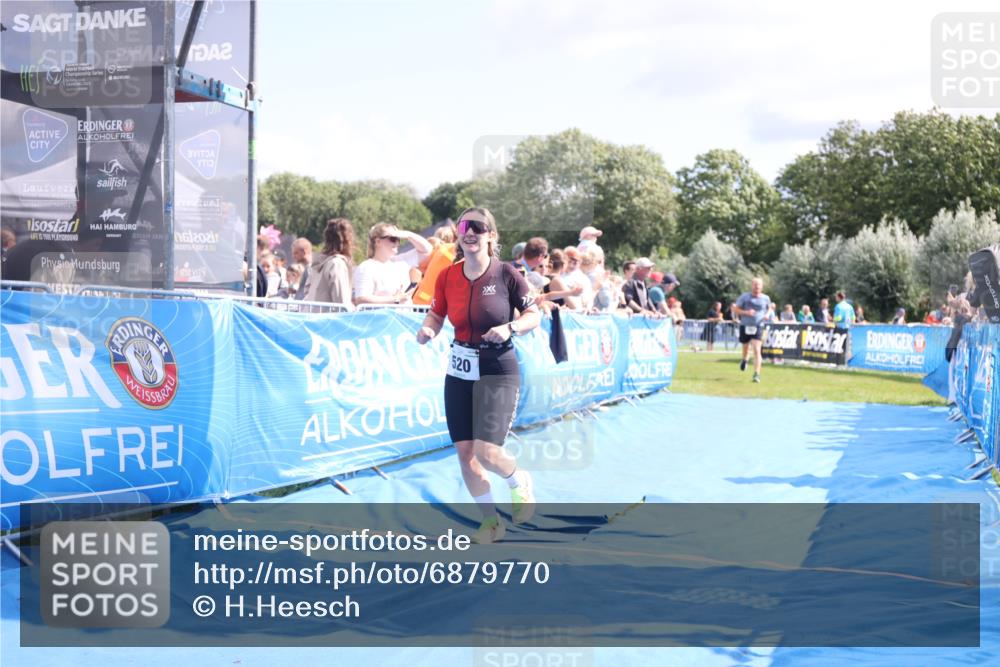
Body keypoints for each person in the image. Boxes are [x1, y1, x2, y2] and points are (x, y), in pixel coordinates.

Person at [416, 207, 541, 544]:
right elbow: (436, 315)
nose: (469, 231)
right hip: (459, 370)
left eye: (478, 226)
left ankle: (518, 481)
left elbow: (534, 314)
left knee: (488, 451)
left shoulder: (507, 274)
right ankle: (491, 522)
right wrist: (427, 330)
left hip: (498, 369)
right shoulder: (447, 276)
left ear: (491, 235)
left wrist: (510, 327)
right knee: (466, 453)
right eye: (463, 225)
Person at [354, 223, 432, 305]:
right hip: (381, 317)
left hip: (404, 316)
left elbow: (427, 250)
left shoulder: (401, 261)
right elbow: (361, 299)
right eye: (393, 239)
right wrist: (396, 299)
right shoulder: (366, 267)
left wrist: (408, 235)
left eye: (399, 239)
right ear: (378, 241)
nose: (397, 243)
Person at [305, 218, 356, 305]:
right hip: (329, 317)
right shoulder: (337, 264)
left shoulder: (318, 264)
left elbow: (306, 292)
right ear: (348, 239)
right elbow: (341, 301)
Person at [733, 277, 771, 383]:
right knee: (745, 348)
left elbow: (769, 308)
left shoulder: (765, 298)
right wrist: (746, 312)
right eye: (755, 285)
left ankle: (756, 374)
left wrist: (767, 315)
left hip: (758, 326)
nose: (757, 287)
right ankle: (745, 359)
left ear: (762, 287)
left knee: (756, 350)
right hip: (745, 325)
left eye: (758, 285)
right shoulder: (744, 297)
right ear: (752, 286)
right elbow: (735, 309)